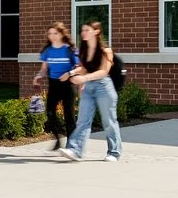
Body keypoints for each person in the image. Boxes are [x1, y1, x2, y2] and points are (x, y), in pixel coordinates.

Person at [65, 20, 122, 161]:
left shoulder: (105, 51)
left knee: (108, 121)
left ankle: (114, 152)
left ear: (96, 32)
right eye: (82, 30)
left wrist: (83, 79)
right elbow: (84, 68)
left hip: (104, 87)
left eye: (87, 30)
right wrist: (76, 77)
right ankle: (76, 151)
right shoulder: (84, 51)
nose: (83, 33)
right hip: (89, 87)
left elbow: (103, 71)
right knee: (83, 120)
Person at [33, 24, 78, 142]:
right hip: (53, 85)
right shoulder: (47, 51)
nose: (52, 36)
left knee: (69, 116)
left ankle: (71, 144)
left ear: (62, 34)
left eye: (55, 33)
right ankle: (58, 138)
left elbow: (79, 68)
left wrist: (69, 73)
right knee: (50, 113)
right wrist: (39, 76)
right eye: (50, 34)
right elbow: (44, 69)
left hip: (68, 85)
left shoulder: (70, 50)